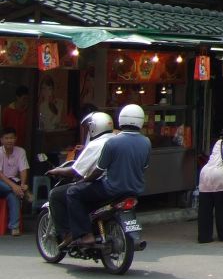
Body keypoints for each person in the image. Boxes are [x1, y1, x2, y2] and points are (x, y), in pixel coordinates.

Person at [65, 104, 151, 247]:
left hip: (111, 189)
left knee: (73, 192)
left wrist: (84, 181)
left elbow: (99, 170)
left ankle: (85, 235)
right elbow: (144, 168)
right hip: (135, 190)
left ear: (121, 119)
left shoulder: (113, 142)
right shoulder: (146, 142)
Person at [45, 112, 114, 242]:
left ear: (94, 127)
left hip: (101, 185)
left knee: (58, 194)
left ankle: (74, 233)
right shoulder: (116, 139)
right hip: (116, 185)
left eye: (89, 128)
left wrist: (58, 170)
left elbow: (76, 171)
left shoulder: (95, 144)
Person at [0, 126, 30, 235]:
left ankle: (14, 227)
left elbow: (23, 169)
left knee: (13, 195)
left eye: (11, 138)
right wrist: (14, 187)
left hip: (12, 184)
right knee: (14, 191)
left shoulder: (20, 151)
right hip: (2, 183)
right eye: (6, 138)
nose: (9, 140)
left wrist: (22, 184)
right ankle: (24, 192)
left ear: (15, 139)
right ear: (2, 140)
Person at [2, 86, 30, 150]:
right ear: (18, 97)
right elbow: (4, 126)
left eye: (27, 99)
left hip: (22, 145)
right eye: (24, 99)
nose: (25, 101)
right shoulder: (7, 111)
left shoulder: (28, 112)